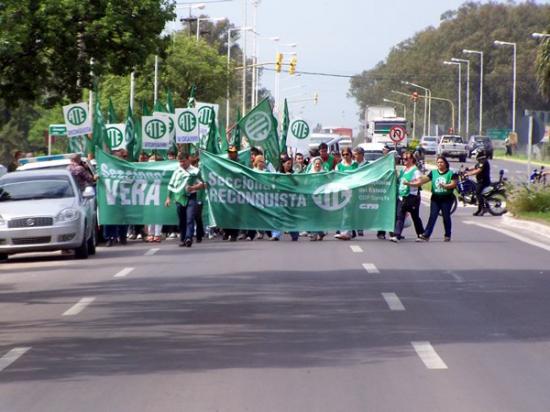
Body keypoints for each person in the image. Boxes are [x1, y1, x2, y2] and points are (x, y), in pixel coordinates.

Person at [408, 156, 458, 242]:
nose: (439, 164)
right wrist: (411, 182)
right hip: (435, 198)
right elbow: (423, 181)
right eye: (438, 162)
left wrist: (445, 186)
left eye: (441, 162)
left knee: (446, 217)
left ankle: (447, 235)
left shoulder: (451, 173)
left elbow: (453, 184)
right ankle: (426, 235)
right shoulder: (433, 172)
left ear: (446, 163)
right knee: (432, 216)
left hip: (447, 198)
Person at [165, 152, 206, 248]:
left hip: (191, 197)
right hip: (179, 198)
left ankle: (189, 238)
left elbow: (203, 184)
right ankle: (183, 239)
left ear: (188, 159)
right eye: (180, 162)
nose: (182, 164)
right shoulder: (177, 171)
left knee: (190, 218)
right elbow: (171, 185)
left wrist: (193, 187)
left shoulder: (195, 171)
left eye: (183, 161)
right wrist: (168, 198)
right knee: (182, 220)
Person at [389, 151, 424, 243]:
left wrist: (409, 183)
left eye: (406, 159)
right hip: (402, 196)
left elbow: (419, 182)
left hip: (412, 197)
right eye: (402, 159)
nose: (403, 160)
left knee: (415, 216)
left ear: (411, 159)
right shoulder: (404, 170)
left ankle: (421, 234)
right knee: (400, 216)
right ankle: (397, 235)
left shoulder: (415, 170)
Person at [335, 148, 359, 241]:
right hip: (342, 191)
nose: (345, 156)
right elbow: (336, 177)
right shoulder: (339, 166)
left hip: (352, 191)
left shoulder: (355, 165)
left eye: (347, 154)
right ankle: (348, 231)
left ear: (350, 154)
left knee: (347, 212)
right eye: (343, 154)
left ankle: (345, 232)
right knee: (343, 212)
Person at [465, 149, 491, 216]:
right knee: (474, 190)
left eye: (475, 154)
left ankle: (483, 209)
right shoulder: (480, 161)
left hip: (484, 182)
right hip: (480, 181)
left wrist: (469, 174)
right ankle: (479, 210)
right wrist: (466, 169)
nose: (474, 155)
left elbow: (478, 170)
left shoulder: (483, 161)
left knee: (478, 193)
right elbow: (475, 167)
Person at [308, 158, 326, 241]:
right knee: (312, 215)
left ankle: (318, 232)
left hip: (321, 197)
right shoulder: (309, 174)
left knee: (318, 216)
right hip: (311, 196)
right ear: (313, 164)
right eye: (316, 163)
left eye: (319, 164)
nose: (317, 165)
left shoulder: (324, 174)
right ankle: (315, 233)